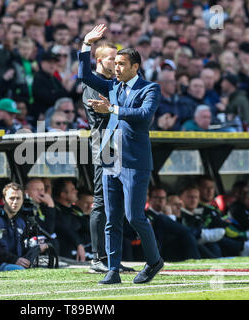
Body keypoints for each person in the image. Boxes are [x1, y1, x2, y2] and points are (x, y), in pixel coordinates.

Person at [78, 24, 163, 285]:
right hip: (109, 158)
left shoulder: (149, 89)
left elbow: (144, 116)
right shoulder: (113, 86)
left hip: (134, 161)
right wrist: (86, 45)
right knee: (111, 218)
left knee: (133, 216)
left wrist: (112, 109)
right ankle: (112, 270)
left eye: (121, 64)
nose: (116, 68)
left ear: (135, 67)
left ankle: (154, 261)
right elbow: (84, 76)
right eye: (114, 63)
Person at [79, 41, 116, 273]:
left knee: (116, 205)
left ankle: (112, 257)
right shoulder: (93, 84)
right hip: (104, 149)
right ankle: (97, 258)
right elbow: (100, 117)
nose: (117, 63)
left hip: (118, 147)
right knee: (101, 204)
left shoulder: (114, 83)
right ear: (100, 60)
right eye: (113, 59)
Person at [0, 183, 49, 273]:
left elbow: (22, 247)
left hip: (12, 263)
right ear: (4, 200)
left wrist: (36, 248)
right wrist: (15, 260)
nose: (15, 202)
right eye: (11, 198)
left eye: (18, 198)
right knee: (21, 271)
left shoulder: (21, 221)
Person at [145, 186, 201, 262]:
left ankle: (213, 258)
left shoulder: (176, 215)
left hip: (172, 247)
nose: (161, 201)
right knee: (188, 235)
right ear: (150, 199)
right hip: (158, 247)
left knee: (190, 237)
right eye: (158, 198)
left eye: (163, 198)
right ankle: (196, 233)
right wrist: (169, 216)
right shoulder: (146, 214)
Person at [53, 178, 91, 262]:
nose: (76, 191)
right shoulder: (55, 210)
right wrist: (79, 244)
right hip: (69, 249)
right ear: (63, 195)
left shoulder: (75, 209)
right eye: (72, 190)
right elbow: (65, 228)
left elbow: (87, 226)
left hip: (85, 245)